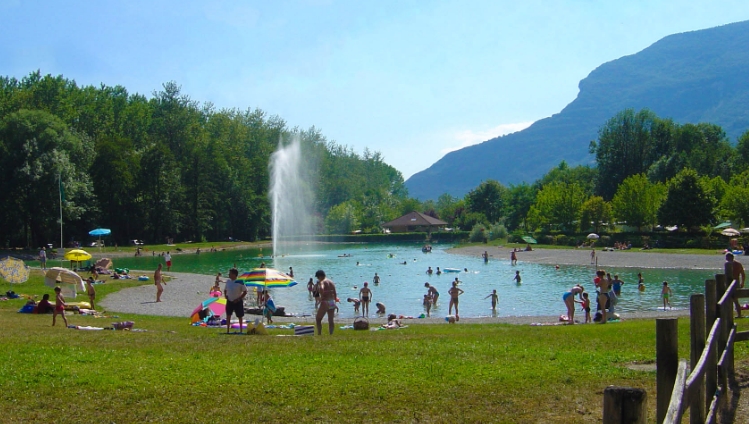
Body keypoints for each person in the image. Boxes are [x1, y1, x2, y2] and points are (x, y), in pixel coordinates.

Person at [224, 268, 247, 333]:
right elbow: (225, 290)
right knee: (228, 315)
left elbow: (245, 291)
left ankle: (241, 330)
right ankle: (227, 330)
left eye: (230, 273)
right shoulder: (228, 281)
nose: (229, 275)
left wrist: (239, 299)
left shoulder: (240, 281)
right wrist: (225, 295)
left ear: (234, 274)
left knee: (240, 316)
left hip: (238, 301)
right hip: (229, 300)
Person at [314, 270, 337, 335]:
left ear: (320, 276)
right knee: (330, 319)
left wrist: (321, 296)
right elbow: (335, 292)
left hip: (325, 301)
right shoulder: (331, 282)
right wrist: (335, 301)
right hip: (331, 301)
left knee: (318, 318)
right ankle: (331, 334)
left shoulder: (322, 281)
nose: (318, 279)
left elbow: (322, 288)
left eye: (318, 277)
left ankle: (319, 333)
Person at [724, 252, 746, 318]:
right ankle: (732, 314)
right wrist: (742, 282)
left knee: (735, 300)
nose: (726, 259)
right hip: (735, 283)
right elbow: (743, 274)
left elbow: (742, 274)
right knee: (732, 300)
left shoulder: (731, 264)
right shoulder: (738, 264)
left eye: (727, 257)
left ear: (730, 257)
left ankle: (738, 315)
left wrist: (742, 282)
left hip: (733, 283)